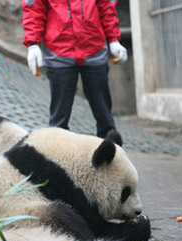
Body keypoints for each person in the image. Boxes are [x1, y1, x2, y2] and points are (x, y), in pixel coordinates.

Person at [22, 0, 128, 138]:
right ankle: (57, 155)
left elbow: (106, 7)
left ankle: (111, 153)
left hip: (94, 48)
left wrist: (114, 39)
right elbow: (34, 10)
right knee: (59, 117)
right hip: (59, 52)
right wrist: (33, 43)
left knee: (104, 115)